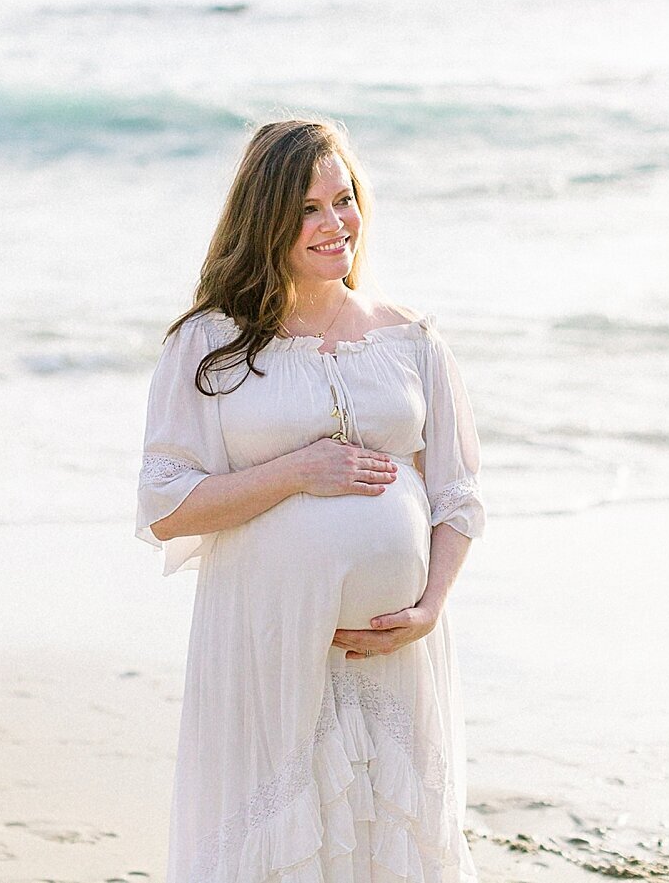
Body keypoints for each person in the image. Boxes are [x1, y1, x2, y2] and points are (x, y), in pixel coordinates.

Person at [135, 117, 486, 883]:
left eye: (344, 199)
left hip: (396, 654)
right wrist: (297, 470)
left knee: (389, 837)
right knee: (276, 840)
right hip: (266, 647)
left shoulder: (411, 340)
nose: (335, 224)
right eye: (308, 209)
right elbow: (164, 503)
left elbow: (456, 496)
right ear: (266, 221)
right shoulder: (211, 345)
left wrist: (428, 606)